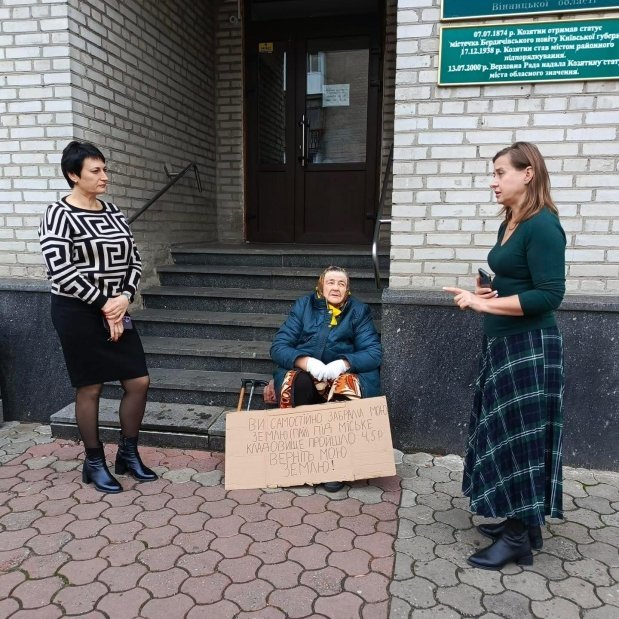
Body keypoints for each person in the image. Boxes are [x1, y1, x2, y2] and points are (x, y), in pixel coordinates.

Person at [444, 141, 566, 570]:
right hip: (504, 342)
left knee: (520, 437)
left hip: (529, 347)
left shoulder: (543, 225)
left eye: (500, 173)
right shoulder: (510, 222)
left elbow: (550, 295)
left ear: (527, 173)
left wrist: (482, 305)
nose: (493, 182)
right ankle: (527, 525)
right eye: (493, 174)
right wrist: (490, 290)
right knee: (508, 433)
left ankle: (517, 540)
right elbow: (518, 281)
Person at [39, 141, 157, 493]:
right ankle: (94, 462)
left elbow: (134, 259)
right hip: (76, 311)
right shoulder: (58, 214)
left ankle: (128, 454)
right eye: (96, 170)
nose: (105, 176)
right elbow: (61, 270)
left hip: (116, 306)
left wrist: (124, 297)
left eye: (105, 169)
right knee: (90, 386)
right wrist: (105, 303)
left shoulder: (113, 211)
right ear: (73, 175)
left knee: (138, 381)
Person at [270, 265, 382, 492]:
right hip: (308, 374)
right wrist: (306, 362)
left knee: (347, 385)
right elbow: (279, 347)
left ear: (347, 290)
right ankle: (298, 461)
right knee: (296, 381)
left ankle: (335, 465)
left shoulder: (358, 311)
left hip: (340, 375)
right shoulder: (304, 305)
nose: (336, 287)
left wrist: (343, 364)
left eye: (342, 284)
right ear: (321, 286)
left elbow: (373, 352)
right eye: (331, 282)